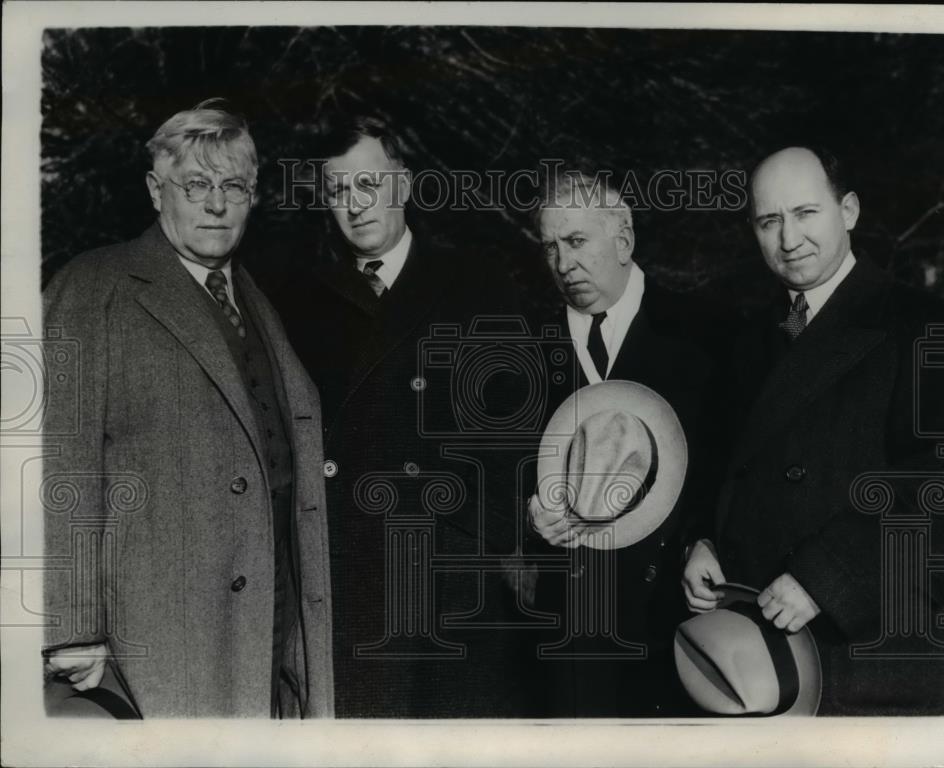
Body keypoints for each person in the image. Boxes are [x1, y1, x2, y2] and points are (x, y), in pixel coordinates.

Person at [41, 100, 335, 718]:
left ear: (253, 197)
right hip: (157, 637)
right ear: (156, 190)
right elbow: (56, 461)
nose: (216, 203)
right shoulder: (95, 286)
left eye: (234, 186)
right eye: (196, 184)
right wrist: (71, 625)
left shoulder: (257, 298)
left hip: (271, 625)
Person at [681, 146, 944, 715]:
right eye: (769, 220)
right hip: (761, 652)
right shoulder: (745, 338)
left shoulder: (921, 322)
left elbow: (937, 484)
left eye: (806, 213)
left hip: (867, 640)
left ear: (848, 211)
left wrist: (824, 579)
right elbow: (722, 466)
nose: (789, 239)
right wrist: (703, 540)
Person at [276, 115, 523, 717]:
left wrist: (483, 538)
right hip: (355, 581)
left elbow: (519, 428)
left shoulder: (478, 284)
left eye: (370, 185)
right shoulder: (297, 302)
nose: (357, 207)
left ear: (404, 185)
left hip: (456, 578)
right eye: (339, 193)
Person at [525, 171, 721, 717]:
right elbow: (497, 471)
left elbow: (733, 470)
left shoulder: (708, 332)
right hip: (568, 634)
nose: (564, 265)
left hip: (674, 629)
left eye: (577, 242)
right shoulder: (525, 345)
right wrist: (528, 513)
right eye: (550, 248)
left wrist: (705, 540)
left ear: (624, 240)